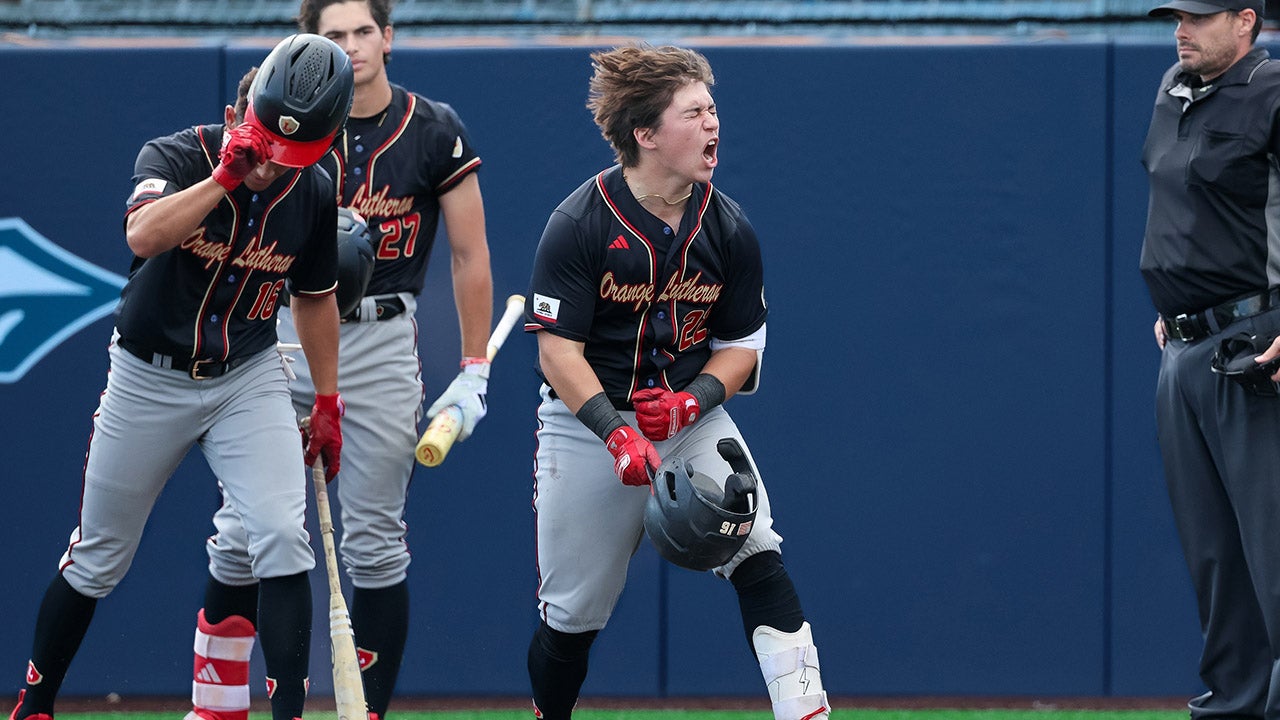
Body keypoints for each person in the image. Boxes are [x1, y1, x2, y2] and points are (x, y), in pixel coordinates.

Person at [7, 33, 353, 720]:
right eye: (263, 141)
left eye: (287, 154)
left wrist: (327, 399)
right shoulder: (176, 153)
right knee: (100, 554)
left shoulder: (311, 190)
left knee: (283, 538)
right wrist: (225, 176)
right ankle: (36, 704)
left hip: (246, 375)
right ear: (237, 114)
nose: (270, 165)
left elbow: (315, 297)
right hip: (148, 375)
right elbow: (142, 236)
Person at [183, 3, 494, 719]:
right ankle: (216, 707)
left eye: (362, 31)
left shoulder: (433, 128)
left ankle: (367, 713)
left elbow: (471, 255)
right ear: (306, 43)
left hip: (381, 335)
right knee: (242, 535)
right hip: (279, 333)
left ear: (388, 36)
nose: (351, 48)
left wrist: (474, 367)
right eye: (334, 35)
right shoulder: (278, 115)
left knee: (376, 540)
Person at [521, 44, 831, 720]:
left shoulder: (730, 228)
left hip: (688, 418)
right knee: (573, 617)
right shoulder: (579, 223)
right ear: (646, 133)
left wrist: (696, 399)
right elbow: (558, 355)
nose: (713, 124)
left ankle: (807, 711)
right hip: (588, 426)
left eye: (714, 110)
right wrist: (615, 433)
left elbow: (741, 347)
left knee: (758, 550)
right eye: (694, 113)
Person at [1141, 1, 1280, 718]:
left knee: (1273, 551)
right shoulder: (1174, 90)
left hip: (1258, 345)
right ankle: (1236, 708)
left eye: (1199, 16)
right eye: (1176, 16)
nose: (1181, 28)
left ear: (1247, 20)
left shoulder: (1273, 91)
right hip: (1187, 350)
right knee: (1217, 562)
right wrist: (1175, 303)